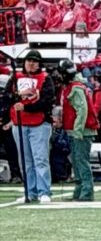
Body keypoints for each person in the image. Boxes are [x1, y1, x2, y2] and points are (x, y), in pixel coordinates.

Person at [9, 53, 53, 205]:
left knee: (40, 158)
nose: (32, 64)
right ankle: (30, 190)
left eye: (35, 62)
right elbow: (7, 96)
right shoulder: (15, 77)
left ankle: (44, 191)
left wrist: (27, 107)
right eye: (29, 61)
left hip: (39, 123)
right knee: (25, 160)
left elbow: (47, 101)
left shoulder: (46, 79)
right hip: (19, 123)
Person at [54, 63, 95, 202]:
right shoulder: (73, 86)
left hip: (81, 131)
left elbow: (82, 111)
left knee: (81, 161)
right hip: (75, 130)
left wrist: (78, 130)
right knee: (77, 162)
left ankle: (86, 191)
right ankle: (80, 190)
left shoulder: (76, 88)